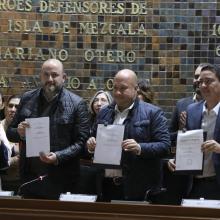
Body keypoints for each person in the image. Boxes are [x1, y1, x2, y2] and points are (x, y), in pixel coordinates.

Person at [6, 59, 90, 200]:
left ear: (64, 77)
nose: (50, 79)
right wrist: (19, 133)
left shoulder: (77, 104)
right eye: (46, 74)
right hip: (30, 178)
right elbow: (10, 132)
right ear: (41, 76)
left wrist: (58, 156)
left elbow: (81, 143)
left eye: (54, 75)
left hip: (62, 178)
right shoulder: (27, 98)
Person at [87, 69, 170, 201]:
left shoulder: (153, 113)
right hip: (106, 185)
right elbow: (93, 140)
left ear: (135, 89)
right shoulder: (104, 113)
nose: (117, 93)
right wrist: (91, 145)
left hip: (137, 188)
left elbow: (165, 146)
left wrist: (140, 148)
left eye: (123, 88)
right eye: (115, 88)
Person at [169, 63, 220, 200]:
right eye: (200, 82)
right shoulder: (192, 110)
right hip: (194, 184)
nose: (203, 86)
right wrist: (177, 160)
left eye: (208, 81)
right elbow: (188, 144)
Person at [163, 64, 205, 204]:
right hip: (182, 173)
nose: (198, 80)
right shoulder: (182, 104)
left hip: (207, 175)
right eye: (196, 77)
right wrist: (181, 130)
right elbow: (168, 138)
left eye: (202, 77)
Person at [77, 90, 113, 195]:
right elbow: (80, 146)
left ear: (110, 103)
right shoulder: (85, 121)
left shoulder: (114, 121)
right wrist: (89, 148)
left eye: (103, 100)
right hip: (88, 170)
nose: (99, 103)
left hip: (109, 172)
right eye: (96, 100)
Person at [1, 95, 21, 193]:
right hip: (2, 182)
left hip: (24, 182)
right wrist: (12, 160)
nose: (13, 109)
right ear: (5, 108)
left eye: (17, 107)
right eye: (10, 106)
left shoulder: (28, 128)